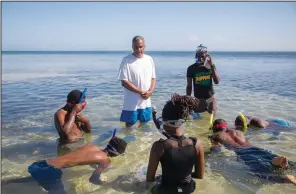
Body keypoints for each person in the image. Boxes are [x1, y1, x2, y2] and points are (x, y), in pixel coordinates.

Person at [2, 132, 127, 194]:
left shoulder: (92, 147)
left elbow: (82, 158)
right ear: (116, 153)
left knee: (37, 177)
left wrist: (95, 166)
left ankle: (7, 181)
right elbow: (92, 180)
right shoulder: (105, 160)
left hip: (43, 164)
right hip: (51, 173)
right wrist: (109, 184)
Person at [146, 94, 205, 194]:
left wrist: (163, 177)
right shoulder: (196, 144)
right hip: (188, 189)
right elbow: (200, 175)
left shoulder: (159, 146)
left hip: (164, 191)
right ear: (183, 119)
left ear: (164, 121)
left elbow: (150, 179)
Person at [209, 119, 296, 184]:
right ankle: (278, 162)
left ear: (214, 128)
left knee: (257, 169)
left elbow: (216, 149)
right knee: (267, 156)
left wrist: (211, 154)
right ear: (226, 126)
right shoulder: (238, 131)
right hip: (254, 148)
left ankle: (284, 179)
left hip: (241, 152)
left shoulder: (215, 135)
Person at [118, 35, 156, 128]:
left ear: (144, 46)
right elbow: (124, 82)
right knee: (130, 125)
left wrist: (150, 91)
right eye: (136, 47)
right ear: (132, 46)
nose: (139, 50)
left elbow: (153, 78)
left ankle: (142, 142)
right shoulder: (126, 60)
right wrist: (141, 92)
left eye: (141, 47)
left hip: (146, 101)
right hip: (131, 101)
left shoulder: (149, 59)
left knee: (144, 124)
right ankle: (129, 142)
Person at [186, 44, 220, 114]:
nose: (200, 59)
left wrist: (211, 65)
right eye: (198, 56)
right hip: (198, 100)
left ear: (206, 57)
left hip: (211, 99)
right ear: (195, 56)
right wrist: (188, 100)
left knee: (212, 120)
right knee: (198, 122)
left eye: (202, 57)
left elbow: (216, 81)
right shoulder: (191, 68)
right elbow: (189, 86)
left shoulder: (211, 67)